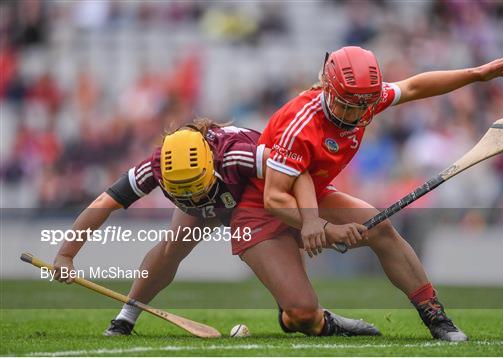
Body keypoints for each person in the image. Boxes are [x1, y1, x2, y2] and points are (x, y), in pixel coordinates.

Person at [229, 46, 503, 341]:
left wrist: (475, 74)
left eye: (363, 106)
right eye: (347, 105)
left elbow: (414, 86)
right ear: (328, 89)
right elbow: (275, 198)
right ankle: (311, 317)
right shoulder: (300, 124)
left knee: (381, 228)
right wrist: (324, 228)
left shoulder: (364, 99)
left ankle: (435, 314)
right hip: (261, 211)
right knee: (303, 316)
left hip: (314, 196)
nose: (356, 114)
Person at [52, 118, 379, 337]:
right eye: (182, 192)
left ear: (210, 163)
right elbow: (103, 204)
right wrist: (66, 254)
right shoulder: (155, 167)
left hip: (254, 198)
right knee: (172, 247)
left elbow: (297, 173)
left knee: (295, 281)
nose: (192, 197)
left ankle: (302, 309)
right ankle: (126, 316)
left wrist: (308, 223)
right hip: (219, 200)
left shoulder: (239, 155)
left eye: (195, 187)